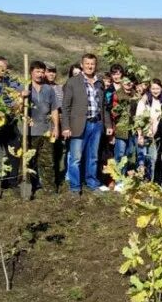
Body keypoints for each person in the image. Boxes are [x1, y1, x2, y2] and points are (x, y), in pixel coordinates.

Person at [62, 53, 112, 195]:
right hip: (78, 125)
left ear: (96, 65)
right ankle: (75, 187)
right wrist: (65, 126)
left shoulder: (99, 83)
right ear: (82, 64)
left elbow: (104, 106)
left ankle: (91, 183)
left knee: (93, 157)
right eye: (87, 63)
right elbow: (66, 107)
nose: (90, 66)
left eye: (93, 64)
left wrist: (107, 125)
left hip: (96, 125)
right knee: (76, 158)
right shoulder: (73, 82)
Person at [25, 60, 59, 195]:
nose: (40, 74)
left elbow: (54, 109)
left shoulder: (49, 89)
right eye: (37, 71)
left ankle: (49, 187)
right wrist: (21, 98)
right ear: (31, 72)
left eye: (42, 71)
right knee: (29, 161)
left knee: (48, 160)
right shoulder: (25, 88)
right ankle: (30, 186)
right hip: (29, 131)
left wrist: (56, 127)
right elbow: (16, 109)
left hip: (46, 130)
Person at [0, 56, 23, 186]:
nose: (4, 69)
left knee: (15, 150)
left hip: (10, 121)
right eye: (1, 67)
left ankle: (12, 181)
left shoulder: (10, 81)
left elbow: (22, 90)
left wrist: (21, 96)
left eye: (5, 67)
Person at [110, 74, 139, 181]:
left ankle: (123, 176)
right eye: (126, 81)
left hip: (132, 129)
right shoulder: (117, 94)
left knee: (128, 154)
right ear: (122, 82)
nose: (128, 83)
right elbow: (113, 113)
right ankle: (117, 179)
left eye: (131, 81)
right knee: (119, 154)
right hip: (121, 129)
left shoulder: (136, 95)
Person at [135, 78, 162, 180]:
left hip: (156, 136)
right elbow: (138, 119)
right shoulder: (144, 101)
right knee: (141, 158)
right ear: (150, 89)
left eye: (157, 88)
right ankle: (139, 180)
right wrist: (140, 135)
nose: (155, 91)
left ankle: (150, 179)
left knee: (153, 158)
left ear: (161, 88)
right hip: (144, 134)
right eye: (153, 88)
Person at [45, 63, 66, 192]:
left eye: (53, 71)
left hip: (58, 124)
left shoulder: (59, 88)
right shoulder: (40, 87)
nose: (51, 74)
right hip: (45, 125)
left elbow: (62, 107)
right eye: (49, 71)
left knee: (57, 152)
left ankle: (57, 178)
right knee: (45, 154)